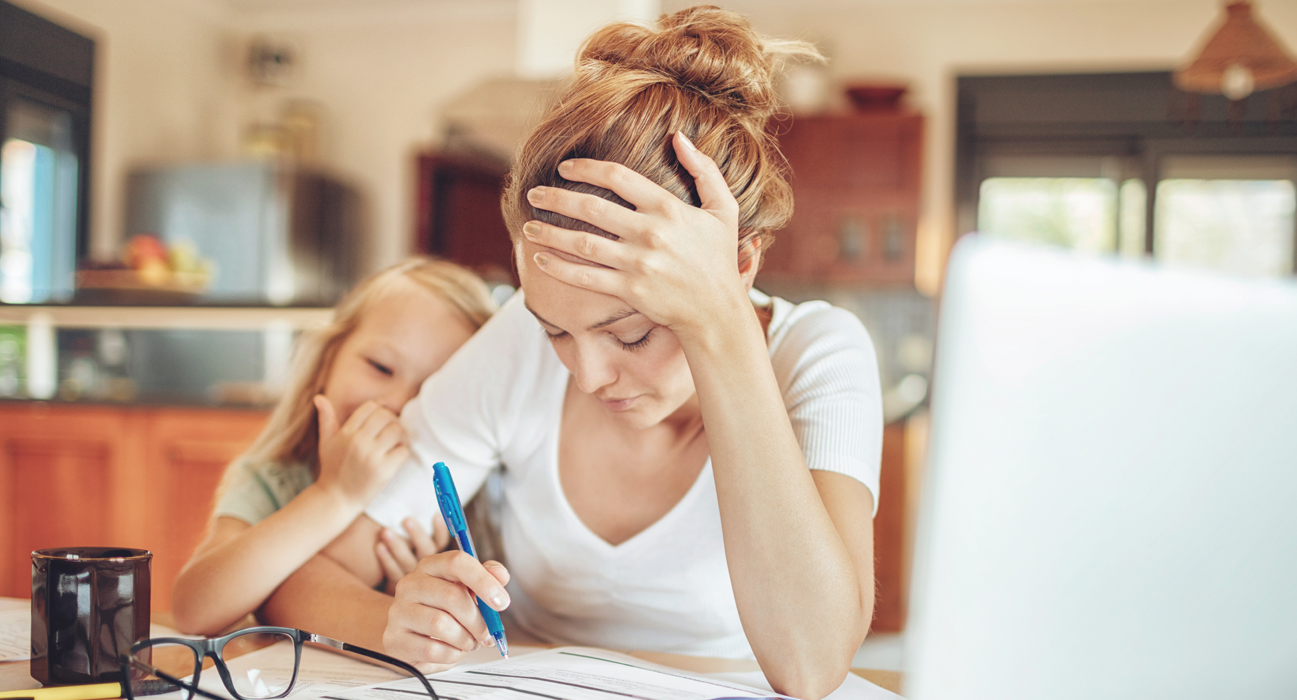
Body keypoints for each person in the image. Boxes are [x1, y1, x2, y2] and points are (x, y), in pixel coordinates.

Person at [259, 7, 881, 699]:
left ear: (739, 266)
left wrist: (723, 331)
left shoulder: (817, 354)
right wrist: (397, 619)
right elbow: (303, 580)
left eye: (631, 333)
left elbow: (812, 663)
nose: (586, 374)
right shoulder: (516, 349)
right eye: (556, 330)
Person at [171, 258, 498, 636]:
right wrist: (335, 494)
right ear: (329, 360)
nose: (398, 402)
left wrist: (414, 594)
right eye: (380, 366)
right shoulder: (274, 478)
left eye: (430, 392)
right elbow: (193, 610)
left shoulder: (473, 499)